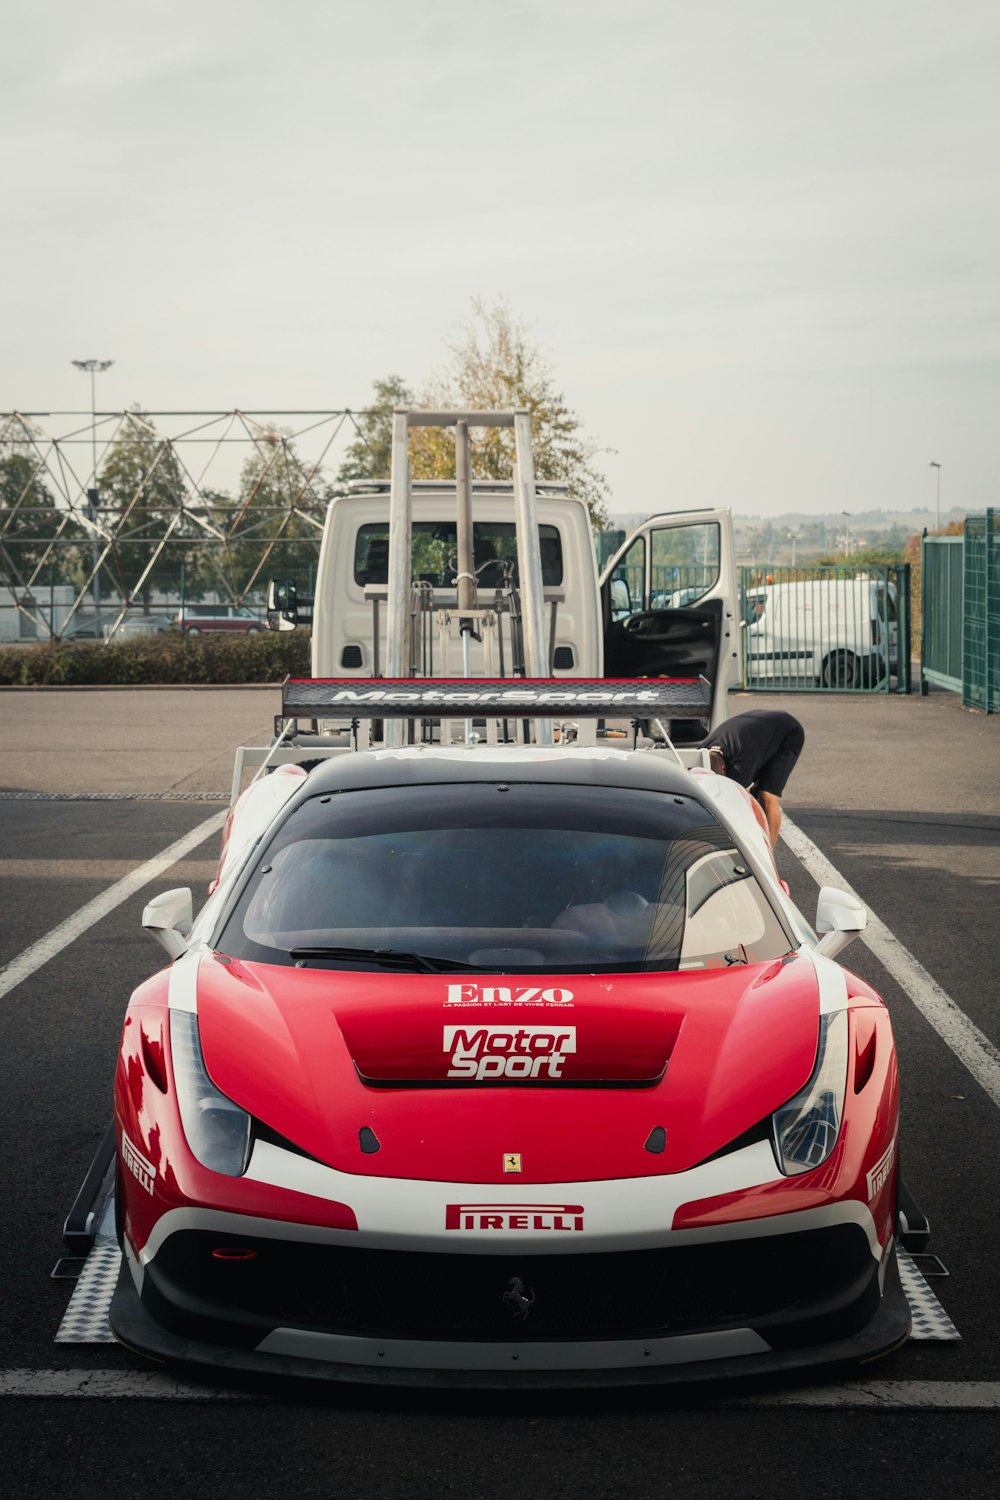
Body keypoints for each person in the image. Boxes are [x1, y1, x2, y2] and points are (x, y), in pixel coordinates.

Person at [699, 709, 804, 847]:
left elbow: (736, 805)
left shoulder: (740, 765)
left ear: (724, 769)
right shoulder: (699, 754)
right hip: (756, 732)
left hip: (788, 732)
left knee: (766, 796)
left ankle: (768, 855)